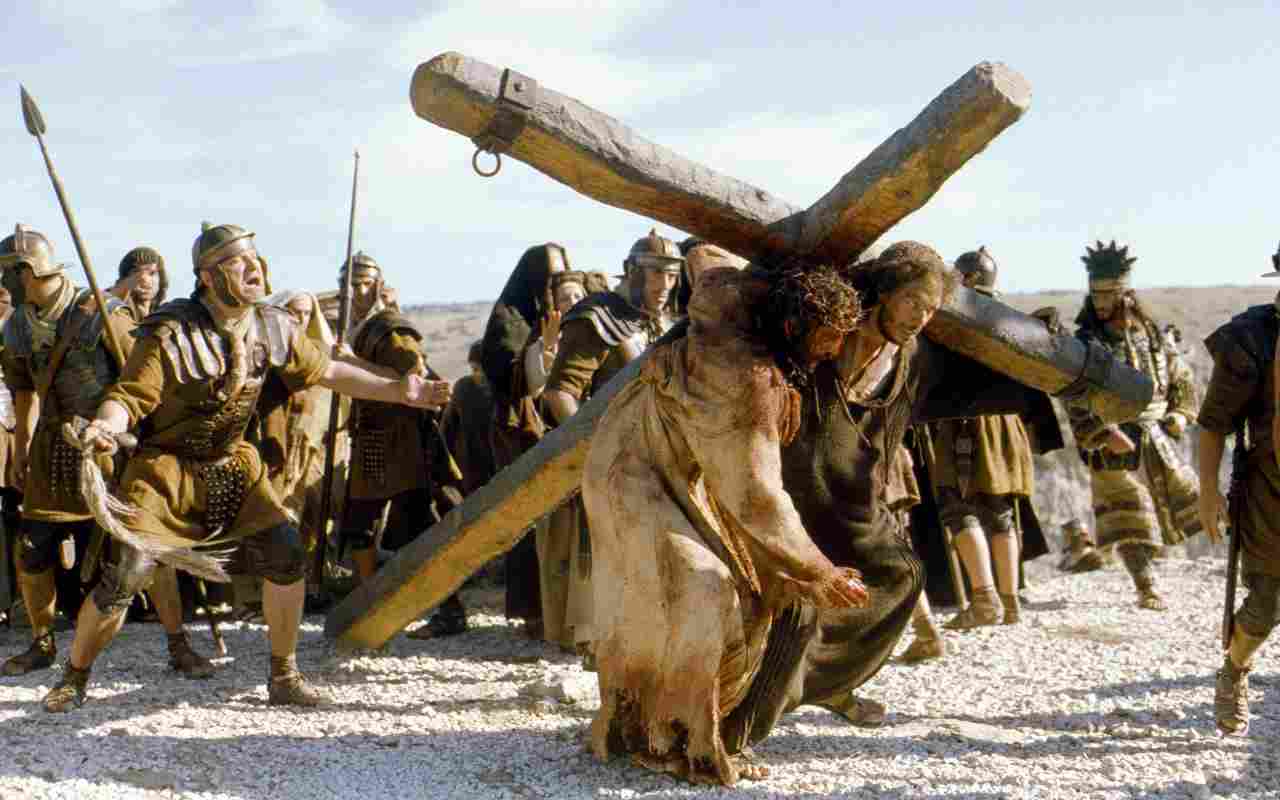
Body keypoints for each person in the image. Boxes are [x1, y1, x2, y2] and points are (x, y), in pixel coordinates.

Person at [42, 223, 451, 712]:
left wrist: (399, 390)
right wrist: (106, 425)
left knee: (287, 556)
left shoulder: (272, 325)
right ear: (208, 277)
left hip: (234, 465)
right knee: (126, 575)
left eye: (255, 258)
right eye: (239, 262)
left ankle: (284, 676)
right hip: (164, 471)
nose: (254, 268)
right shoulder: (170, 331)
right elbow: (130, 396)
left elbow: (329, 370)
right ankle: (73, 678)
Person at [585, 264, 867, 784]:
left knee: (752, 584)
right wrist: (819, 569)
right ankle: (675, 743)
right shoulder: (742, 375)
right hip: (631, 482)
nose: (834, 351)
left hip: (676, 478)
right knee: (702, 588)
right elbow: (757, 496)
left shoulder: (741, 351)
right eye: (828, 337)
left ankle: (667, 727)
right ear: (792, 327)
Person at [0, 225, 212, 680]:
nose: (2, 283)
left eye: (6, 274)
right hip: (51, 449)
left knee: (145, 547)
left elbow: (146, 379)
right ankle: (41, 643)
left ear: (25, 272)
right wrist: (21, 450)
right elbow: (24, 393)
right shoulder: (17, 326)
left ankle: (178, 644)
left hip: (111, 448)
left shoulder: (104, 314)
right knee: (32, 550)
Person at [543, 231, 683, 656]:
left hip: (662, 456)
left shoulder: (661, 321)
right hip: (614, 459)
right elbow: (561, 394)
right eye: (655, 274)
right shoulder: (596, 318)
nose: (664, 285)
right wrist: (597, 455)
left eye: (672, 276)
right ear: (631, 270)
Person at [335, 253, 468, 640]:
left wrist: (353, 364)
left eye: (363, 283)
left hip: (401, 443)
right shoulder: (357, 326)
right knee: (359, 526)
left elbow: (416, 375)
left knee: (419, 530)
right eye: (349, 284)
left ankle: (450, 610)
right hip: (372, 441)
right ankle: (370, 606)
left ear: (378, 285)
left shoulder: (389, 327)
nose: (356, 291)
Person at [1067, 241, 1202, 610]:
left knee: (1183, 506)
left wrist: (1179, 415)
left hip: (1157, 438)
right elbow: (1073, 394)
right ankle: (1146, 587)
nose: (1100, 302)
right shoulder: (1086, 342)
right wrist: (1103, 433)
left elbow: (1181, 379)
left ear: (1125, 294)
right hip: (1113, 441)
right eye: (1095, 294)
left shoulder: (1153, 335)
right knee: (1128, 517)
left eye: (1107, 294)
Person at [928, 247, 1040, 628]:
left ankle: (984, 600)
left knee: (959, 507)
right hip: (1007, 427)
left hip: (965, 424)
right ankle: (1010, 602)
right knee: (999, 510)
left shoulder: (956, 319)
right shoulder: (1009, 319)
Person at [1197, 244, 1280, 736]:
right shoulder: (1252, 339)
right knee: (1267, 602)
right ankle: (1234, 670)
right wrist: (1208, 492)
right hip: (1270, 489)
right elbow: (1214, 423)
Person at [479, 243, 572, 639]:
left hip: (554, 425)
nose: (554, 285)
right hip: (518, 431)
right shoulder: (508, 318)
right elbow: (504, 373)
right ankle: (532, 613)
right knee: (527, 520)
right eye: (548, 277)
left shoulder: (564, 311)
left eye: (560, 276)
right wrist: (541, 351)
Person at [111, 246, 168, 319]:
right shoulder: (115, 309)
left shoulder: (165, 315)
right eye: (136, 272)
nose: (145, 279)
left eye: (152, 273)